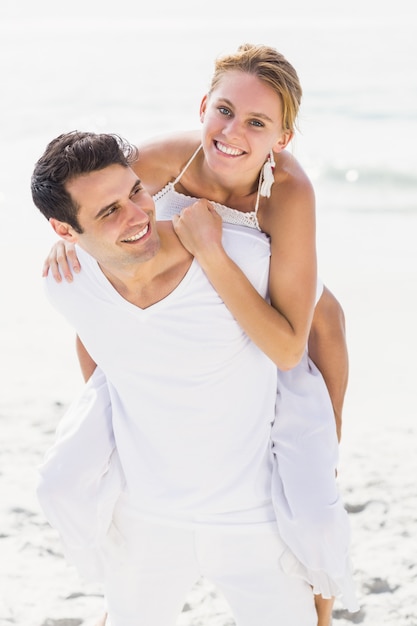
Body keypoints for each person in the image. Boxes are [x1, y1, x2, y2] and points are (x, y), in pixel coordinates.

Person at [43, 44, 356, 624]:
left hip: (264, 311)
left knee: (327, 324)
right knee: (109, 328)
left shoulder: (287, 191)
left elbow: (294, 344)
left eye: (257, 123)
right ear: (203, 105)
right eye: (224, 110)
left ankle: (321, 536)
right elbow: (90, 187)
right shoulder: (162, 159)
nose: (233, 131)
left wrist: (212, 252)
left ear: (281, 139)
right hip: (161, 307)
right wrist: (72, 237)